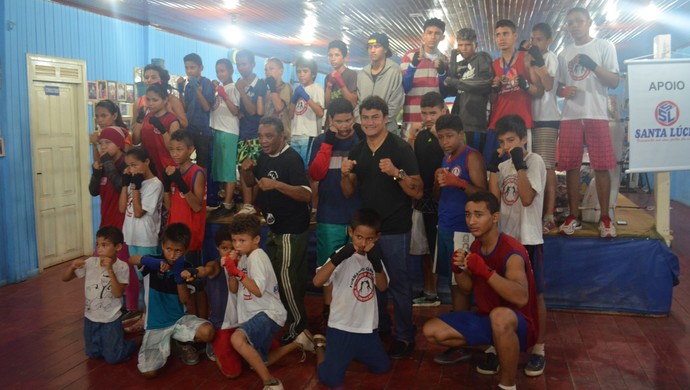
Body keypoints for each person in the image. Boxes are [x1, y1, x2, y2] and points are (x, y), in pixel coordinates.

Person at [422, 191, 539, 390]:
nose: (471, 220)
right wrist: (459, 270)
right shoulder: (476, 246)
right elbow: (467, 289)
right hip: (488, 319)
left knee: (500, 316)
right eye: (468, 214)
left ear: (495, 217)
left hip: (520, 324)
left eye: (478, 214)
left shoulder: (512, 251)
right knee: (431, 331)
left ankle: (508, 386)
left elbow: (521, 298)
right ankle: (494, 348)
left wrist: (485, 270)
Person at [341, 96, 423, 359]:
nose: (369, 122)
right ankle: (380, 327)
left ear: (386, 118)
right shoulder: (357, 151)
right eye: (365, 117)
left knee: (398, 284)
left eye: (375, 117)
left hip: (396, 227)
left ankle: (405, 336)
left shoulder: (399, 148)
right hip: (369, 232)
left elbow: (418, 191)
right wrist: (344, 174)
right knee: (376, 283)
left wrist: (396, 173)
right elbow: (348, 192)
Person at [179, 222, 313, 379]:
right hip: (236, 322)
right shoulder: (227, 262)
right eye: (228, 246)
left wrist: (235, 271)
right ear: (217, 248)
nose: (233, 249)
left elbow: (253, 289)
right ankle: (300, 342)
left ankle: (272, 379)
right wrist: (222, 271)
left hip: (258, 317)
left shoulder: (252, 258)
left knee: (245, 348)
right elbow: (219, 279)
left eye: (238, 243)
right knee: (245, 367)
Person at [240, 116, 311, 343]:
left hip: (292, 227)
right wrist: (246, 171)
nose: (263, 140)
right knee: (274, 278)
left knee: (287, 278)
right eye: (261, 136)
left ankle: (299, 327)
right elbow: (252, 183)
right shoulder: (263, 156)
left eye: (269, 136)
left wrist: (277, 185)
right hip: (272, 225)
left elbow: (306, 193)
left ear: (282, 135)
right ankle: (280, 319)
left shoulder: (292, 159)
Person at [488, 114, 547, 377]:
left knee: (535, 296)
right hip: (506, 239)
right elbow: (493, 203)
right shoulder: (502, 168)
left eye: (512, 140)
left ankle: (539, 348)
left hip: (528, 239)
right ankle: (499, 343)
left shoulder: (535, 161)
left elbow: (525, 198)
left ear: (524, 139)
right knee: (502, 292)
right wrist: (492, 168)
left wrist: (519, 163)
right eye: (502, 141)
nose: (507, 146)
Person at [224, 214, 313, 390]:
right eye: (234, 241)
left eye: (242, 240)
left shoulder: (257, 256)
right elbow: (233, 289)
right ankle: (300, 341)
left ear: (256, 239)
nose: (237, 245)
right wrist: (231, 269)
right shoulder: (243, 257)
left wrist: (238, 273)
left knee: (237, 339)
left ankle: (271, 383)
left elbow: (256, 290)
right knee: (259, 360)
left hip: (267, 312)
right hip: (258, 313)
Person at [557, 7, 620, 238]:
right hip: (571, 116)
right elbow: (558, 86)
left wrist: (591, 64)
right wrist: (563, 90)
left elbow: (614, 81)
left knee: (602, 166)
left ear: (589, 22)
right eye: (570, 23)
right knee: (571, 167)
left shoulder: (605, 46)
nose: (574, 26)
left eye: (579, 22)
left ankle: (605, 218)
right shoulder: (564, 53)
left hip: (596, 114)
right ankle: (574, 216)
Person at [430, 114, 487, 364]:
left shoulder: (471, 156)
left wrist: (458, 182)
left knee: (463, 285)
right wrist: (437, 181)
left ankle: (463, 340)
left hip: (463, 229)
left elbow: (483, 193)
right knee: (454, 284)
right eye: (441, 137)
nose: (445, 141)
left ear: (461, 133)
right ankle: (459, 337)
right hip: (445, 225)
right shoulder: (446, 158)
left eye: (449, 136)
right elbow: (437, 195)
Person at [312, 208, 391, 388]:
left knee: (383, 368)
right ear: (350, 232)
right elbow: (317, 282)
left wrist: (376, 263)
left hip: (367, 329)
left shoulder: (374, 257)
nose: (363, 243)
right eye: (359, 237)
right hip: (341, 328)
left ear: (377, 237)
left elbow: (383, 286)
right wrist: (339, 257)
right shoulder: (342, 254)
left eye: (369, 238)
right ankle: (320, 348)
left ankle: (351, 354)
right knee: (330, 379)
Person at [129, 223, 216, 377]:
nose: (172, 255)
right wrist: (152, 263)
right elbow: (132, 258)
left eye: (178, 251)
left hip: (178, 321)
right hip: (155, 324)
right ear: (162, 246)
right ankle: (168, 342)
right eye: (168, 249)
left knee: (208, 332)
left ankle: (182, 342)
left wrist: (179, 278)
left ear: (186, 251)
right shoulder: (153, 261)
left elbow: (184, 299)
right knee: (149, 372)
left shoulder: (187, 268)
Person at [308, 98, 363, 330]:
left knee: (358, 267)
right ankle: (329, 310)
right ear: (330, 120)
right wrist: (328, 144)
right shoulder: (321, 141)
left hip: (357, 214)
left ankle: (356, 310)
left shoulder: (361, 139)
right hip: (329, 214)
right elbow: (316, 173)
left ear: (354, 118)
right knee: (327, 267)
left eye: (348, 120)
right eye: (338, 121)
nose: (344, 125)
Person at [61, 226, 137, 364]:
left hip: (111, 320)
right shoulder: (90, 263)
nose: (99, 249)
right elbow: (65, 278)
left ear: (118, 247)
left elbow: (118, 293)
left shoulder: (122, 267)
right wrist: (72, 267)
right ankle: (113, 343)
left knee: (113, 358)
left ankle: (129, 344)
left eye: (104, 245)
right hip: (90, 318)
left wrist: (109, 269)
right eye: (98, 244)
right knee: (93, 354)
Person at [89, 123, 139, 318]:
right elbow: (94, 191)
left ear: (118, 144)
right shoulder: (103, 165)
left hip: (123, 226)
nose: (103, 147)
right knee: (101, 264)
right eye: (101, 143)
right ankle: (105, 302)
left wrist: (107, 163)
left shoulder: (126, 166)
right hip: (106, 224)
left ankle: (132, 307)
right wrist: (96, 172)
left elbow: (120, 186)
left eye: (108, 143)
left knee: (126, 267)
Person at [162, 130, 207, 319]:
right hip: (175, 233)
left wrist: (180, 183)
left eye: (179, 149)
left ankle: (203, 323)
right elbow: (170, 205)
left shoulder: (197, 172)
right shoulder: (174, 171)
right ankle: (187, 323)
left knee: (195, 283)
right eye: (171, 149)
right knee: (178, 283)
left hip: (191, 236)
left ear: (191, 149)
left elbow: (196, 206)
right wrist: (167, 184)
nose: (174, 153)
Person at [118, 146, 164, 334]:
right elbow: (122, 208)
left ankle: (153, 320)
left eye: (134, 165)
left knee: (150, 283)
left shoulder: (155, 184)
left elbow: (138, 212)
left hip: (146, 239)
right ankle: (146, 318)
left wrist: (136, 187)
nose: (131, 170)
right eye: (128, 166)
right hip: (131, 237)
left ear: (146, 162)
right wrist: (125, 183)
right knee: (140, 281)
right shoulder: (134, 182)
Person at [488, 19, 545, 162]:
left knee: (523, 170)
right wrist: (494, 89)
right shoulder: (494, 64)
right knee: (496, 172)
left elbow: (539, 91)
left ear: (515, 36)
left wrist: (525, 85)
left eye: (505, 34)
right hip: (497, 123)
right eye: (498, 35)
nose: (501, 38)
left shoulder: (526, 58)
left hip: (521, 123)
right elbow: (492, 100)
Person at [409, 92, 446, 307]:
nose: (428, 117)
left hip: (443, 198)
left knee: (437, 247)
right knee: (424, 248)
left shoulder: (451, 134)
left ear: (443, 111)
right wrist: (412, 137)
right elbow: (412, 161)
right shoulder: (421, 135)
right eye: (424, 113)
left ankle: (436, 291)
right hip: (422, 197)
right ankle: (429, 291)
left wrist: (439, 135)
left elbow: (453, 156)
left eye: (433, 113)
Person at [529, 23, 561, 233]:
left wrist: (537, 62)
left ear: (548, 41)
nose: (535, 43)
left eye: (539, 39)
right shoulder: (530, 58)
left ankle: (549, 215)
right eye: (533, 39)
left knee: (548, 168)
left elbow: (548, 84)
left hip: (547, 119)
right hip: (531, 119)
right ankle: (538, 213)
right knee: (535, 169)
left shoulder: (551, 57)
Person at [443, 28, 495, 153]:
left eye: (467, 45)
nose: (464, 48)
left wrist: (455, 82)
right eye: (460, 45)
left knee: (476, 161)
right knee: (461, 161)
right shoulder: (462, 64)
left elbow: (485, 82)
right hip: (460, 123)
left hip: (476, 123)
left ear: (475, 45)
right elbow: (452, 86)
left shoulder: (482, 58)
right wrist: (453, 59)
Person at [401, 18, 449, 139]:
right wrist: (413, 65)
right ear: (423, 35)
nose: (433, 37)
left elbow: (444, 93)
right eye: (429, 32)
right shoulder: (409, 56)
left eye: (437, 33)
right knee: (409, 156)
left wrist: (442, 73)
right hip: (411, 118)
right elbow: (405, 88)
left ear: (442, 37)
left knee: (433, 156)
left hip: (435, 122)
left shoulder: (444, 60)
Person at [235, 49, 267, 215]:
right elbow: (238, 110)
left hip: (256, 134)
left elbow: (255, 111)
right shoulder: (238, 82)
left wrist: (241, 91)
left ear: (253, 64)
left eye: (244, 64)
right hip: (242, 133)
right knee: (243, 169)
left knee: (255, 169)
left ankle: (255, 204)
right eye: (238, 64)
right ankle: (247, 205)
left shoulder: (259, 84)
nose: (241, 68)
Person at [209, 58, 241, 219]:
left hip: (229, 131)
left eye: (222, 70)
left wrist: (225, 95)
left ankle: (228, 203)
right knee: (220, 169)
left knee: (228, 169)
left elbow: (235, 111)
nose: (220, 74)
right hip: (218, 131)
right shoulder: (220, 88)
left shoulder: (233, 88)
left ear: (230, 71)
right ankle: (224, 200)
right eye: (217, 71)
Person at [356, 33, 404, 135]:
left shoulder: (394, 71)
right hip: (365, 132)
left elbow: (396, 104)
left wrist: (377, 123)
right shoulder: (362, 74)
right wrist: (363, 122)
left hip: (387, 130)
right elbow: (358, 103)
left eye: (377, 46)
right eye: (370, 47)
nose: (372, 50)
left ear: (385, 49)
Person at [132, 84, 181, 181]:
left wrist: (162, 130)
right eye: (148, 100)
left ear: (165, 100)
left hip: (166, 166)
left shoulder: (172, 120)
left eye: (155, 100)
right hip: (149, 166)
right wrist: (139, 121)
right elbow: (135, 141)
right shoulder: (146, 117)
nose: (150, 103)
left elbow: (173, 148)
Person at [176, 53, 215, 171]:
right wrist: (180, 91)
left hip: (203, 130)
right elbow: (184, 109)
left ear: (201, 68)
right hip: (190, 128)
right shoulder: (188, 86)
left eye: (192, 67)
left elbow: (206, 107)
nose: (189, 71)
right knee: (185, 159)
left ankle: (203, 188)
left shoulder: (206, 83)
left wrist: (196, 88)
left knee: (203, 163)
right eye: (186, 68)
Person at [289, 56, 325, 169]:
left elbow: (320, 112)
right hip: (295, 133)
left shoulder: (316, 88)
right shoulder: (298, 89)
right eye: (298, 71)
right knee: (294, 167)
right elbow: (290, 115)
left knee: (305, 168)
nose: (301, 74)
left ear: (313, 74)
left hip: (309, 134)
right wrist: (294, 100)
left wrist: (306, 96)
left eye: (305, 71)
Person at [134, 64, 188, 130]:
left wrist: (171, 112)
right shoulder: (138, 102)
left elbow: (184, 124)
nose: (149, 80)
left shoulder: (172, 100)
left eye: (153, 77)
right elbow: (134, 127)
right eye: (146, 77)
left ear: (162, 80)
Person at [324, 40, 358, 111]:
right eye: (330, 55)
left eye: (337, 55)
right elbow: (327, 105)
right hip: (332, 119)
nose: (333, 59)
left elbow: (353, 104)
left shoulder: (351, 74)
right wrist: (329, 85)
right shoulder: (328, 77)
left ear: (344, 57)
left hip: (345, 119)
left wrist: (341, 83)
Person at [264, 57, 293, 140]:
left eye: (271, 69)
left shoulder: (286, 87)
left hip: (281, 134)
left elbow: (279, 107)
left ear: (281, 71)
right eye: (266, 70)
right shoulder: (267, 91)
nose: (268, 72)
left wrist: (272, 87)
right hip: (268, 132)